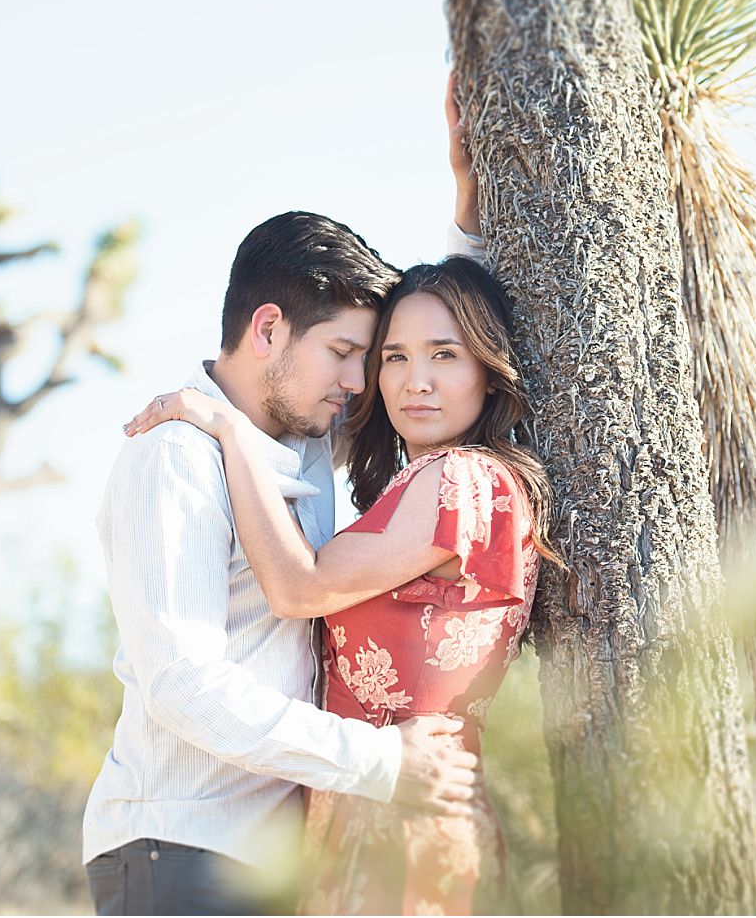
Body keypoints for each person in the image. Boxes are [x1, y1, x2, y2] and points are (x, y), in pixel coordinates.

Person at [84, 85, 491, 916]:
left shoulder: (305, 436)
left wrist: (469, 211)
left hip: (273, 860)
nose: (359, 381)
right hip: (179, 852)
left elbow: (445, 372)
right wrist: (382, 762)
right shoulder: (175, 456)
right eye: (344, 352)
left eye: (363, 356)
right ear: (267, 329)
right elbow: (182, 685)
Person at [125, 254, 561, 916]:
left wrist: (224, 428)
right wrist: (466, 214)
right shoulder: (432, 485)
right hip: (365, 805)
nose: (416, 382)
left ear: (486, 368)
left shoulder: (459, 480)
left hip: (402, 814)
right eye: (394, 358)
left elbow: (300, 588)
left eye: (445, 356)